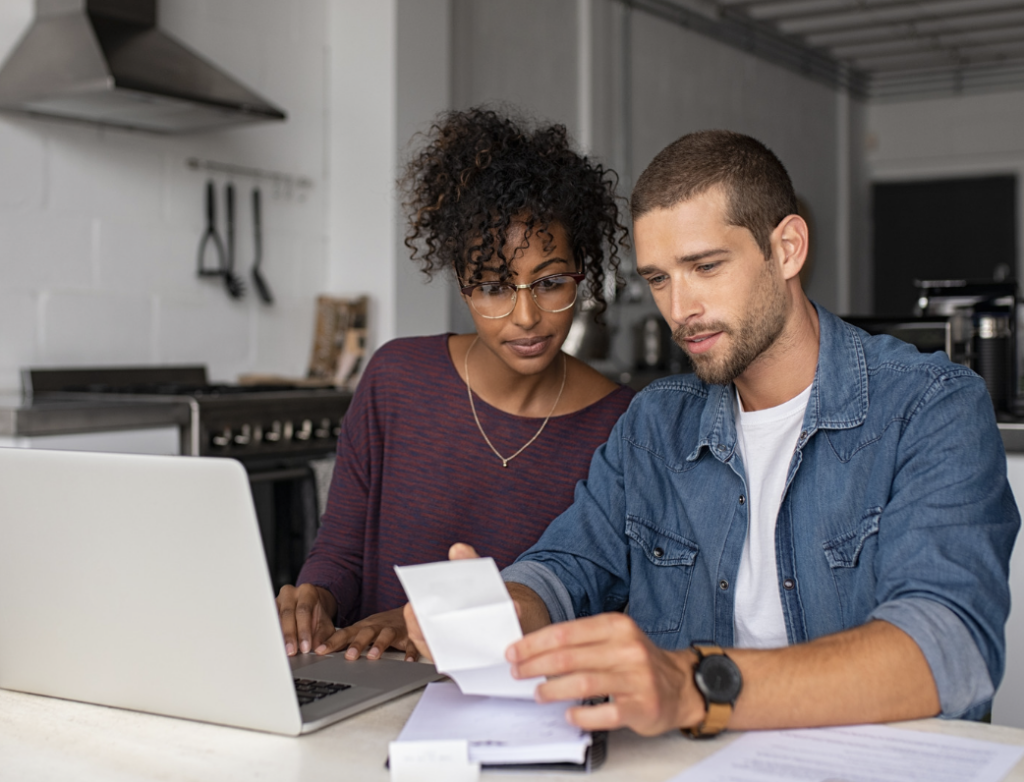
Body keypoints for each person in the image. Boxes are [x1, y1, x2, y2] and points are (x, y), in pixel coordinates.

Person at [406, 129, 1020, 736]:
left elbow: (951, 648)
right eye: (659, 278)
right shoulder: (654, 425)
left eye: (704, 267)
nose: (679, 309)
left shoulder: (931, 406)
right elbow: (568, 564)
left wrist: (697, 686)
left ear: (787, 249)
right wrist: (507, 607)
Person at [276, 107, 634, 663]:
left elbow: (597, 601)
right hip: (370, 687)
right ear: (463, 287)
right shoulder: (395, 379)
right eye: (493, 287)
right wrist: (314, 599)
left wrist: (423, 623)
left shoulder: (621, 425)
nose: (525, 317)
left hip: (519, 708)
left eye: (551, 282)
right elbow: (341, 554)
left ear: (582, 274)